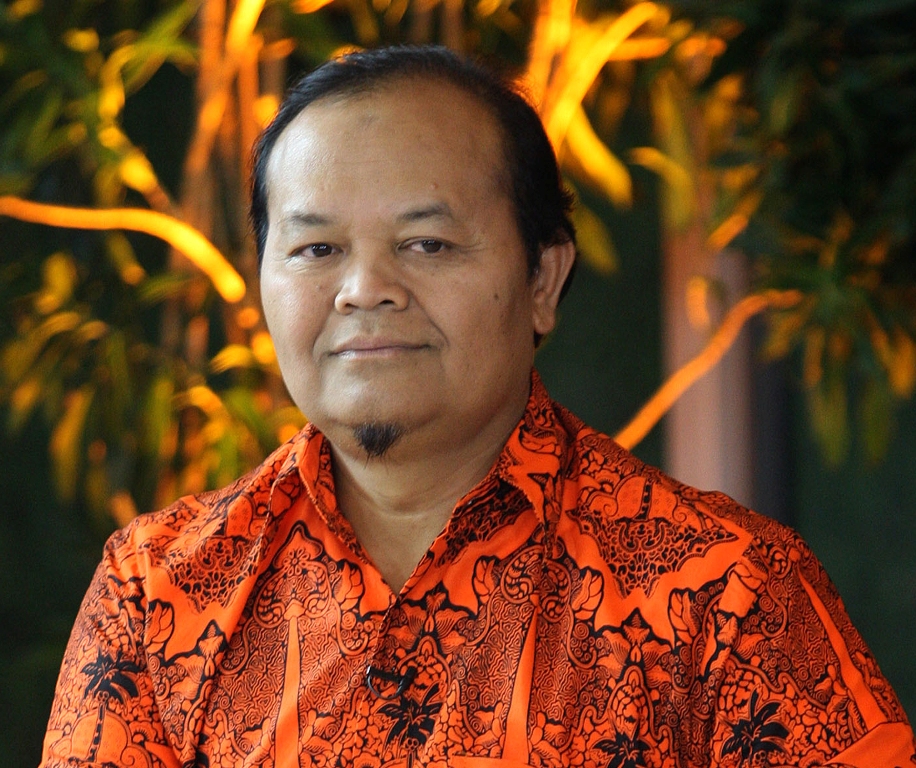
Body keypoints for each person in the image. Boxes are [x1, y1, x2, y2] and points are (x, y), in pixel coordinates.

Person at [40, 45, 915, 768]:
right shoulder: (159, 590)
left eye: (426, 243)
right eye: (315, 249)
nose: (365, 289)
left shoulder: (726, 591)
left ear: (543, 279)